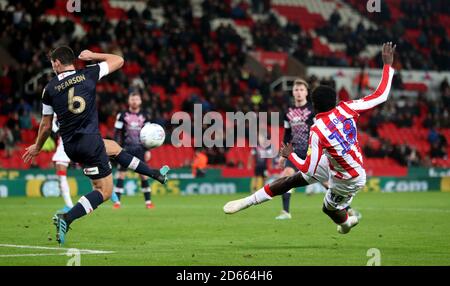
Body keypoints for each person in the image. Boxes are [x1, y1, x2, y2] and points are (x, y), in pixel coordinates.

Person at [223, 42, 396, 234]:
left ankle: (347, 223)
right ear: (335, 101)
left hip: (348, 177)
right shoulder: (347, 108)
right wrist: (387, 65)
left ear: (314, 105)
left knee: (328, 208)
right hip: (334, 162)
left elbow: (308, 166)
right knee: (292, 180)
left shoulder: (317, 130)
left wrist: (290, 155)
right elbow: (381, 95)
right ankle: (248, 201)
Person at [22, 46, 170, 244]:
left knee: (114, 148)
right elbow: (119, 60)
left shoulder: (48, 89)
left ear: (57, 62)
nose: (52, 67)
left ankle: (156, 174)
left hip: (71, 146)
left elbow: (46, 125)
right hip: (90, 142)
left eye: (52, 63)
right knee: (104, 192)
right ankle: (66, 217)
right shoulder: (88, 73)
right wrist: (93, 56)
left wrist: (38, 147)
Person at [276, 78, 324, 220]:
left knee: (326, 180)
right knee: (286, 176)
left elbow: (319, 130)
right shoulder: (288, 112)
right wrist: (283, 155)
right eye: (296, 90)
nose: (298, 92)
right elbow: (287, 134)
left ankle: (347, 209)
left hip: (311, 150)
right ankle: (286, 212)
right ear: (293, 92)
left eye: (301, 90)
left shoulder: (312, 110)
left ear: (306, 92)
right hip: (295, 151)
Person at [113, 91, 155, 209]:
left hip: (140, 149)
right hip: (126, 148)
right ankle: (117, 202)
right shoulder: (122, 115)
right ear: (128, 101)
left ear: (140, 101)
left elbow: (149, 134)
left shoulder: (145, 115)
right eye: (132, 99)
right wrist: (117, 147)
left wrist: (147, 150)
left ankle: (148, 202)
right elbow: (117, 133)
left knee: (143, 175)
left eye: (136, 99)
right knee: (121, 174)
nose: (134, 101)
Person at [51, 114, 74, 213]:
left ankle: (69, 205)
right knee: (61, 176)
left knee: (61, 176)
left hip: (66, 142)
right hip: (64, 141)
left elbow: (51, 125)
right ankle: (68, 204)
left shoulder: (62, 107)